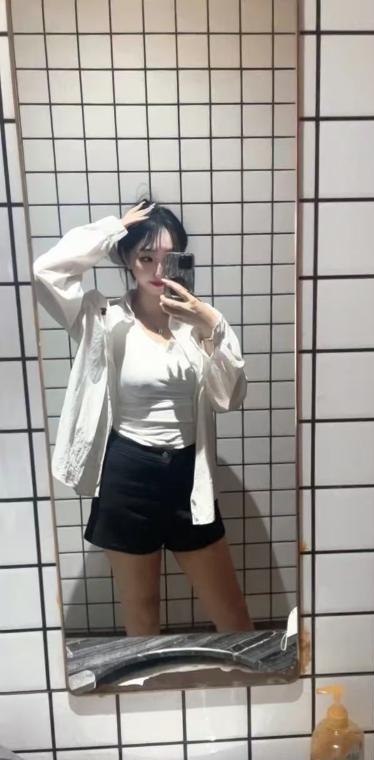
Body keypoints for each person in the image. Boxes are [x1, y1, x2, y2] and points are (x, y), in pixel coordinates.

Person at [33, 199, 253, 636]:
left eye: (169, 258)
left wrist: (211, 324)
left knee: (231, 612)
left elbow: (229, 397)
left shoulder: (200, 323)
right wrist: (113, 229)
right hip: (127, 474)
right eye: (146, 257)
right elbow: (46, 271)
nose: (158, 270)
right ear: (127, 260)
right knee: (142, 610)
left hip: (189, 475)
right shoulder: (103, 317)